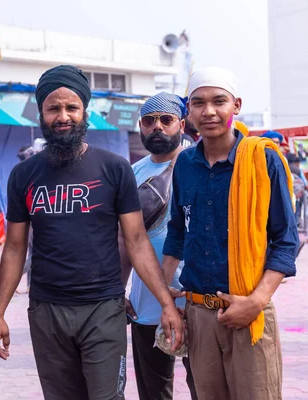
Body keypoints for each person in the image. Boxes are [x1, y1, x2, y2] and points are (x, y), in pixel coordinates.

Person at [0, 65, 183, 400]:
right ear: (41, 114)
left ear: (84, 113)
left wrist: (165, 303)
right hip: (47, 310)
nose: (63, 116)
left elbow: (135, 241)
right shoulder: (23, 174)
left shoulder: (114, 168)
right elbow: (15, 248)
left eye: (71, 108)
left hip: (103, 309)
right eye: (54, 108)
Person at [161, 66, 298, 400]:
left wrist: (256, 301)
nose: (209, 111)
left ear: (235, 106)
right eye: (198, 103)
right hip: (198, 314)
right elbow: (177, 231)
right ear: (188, 111)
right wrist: (167, 301)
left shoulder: (262, 159)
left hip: (248, 310)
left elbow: (285, 240)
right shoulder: (184, 164)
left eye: (218, 101)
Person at [120, 92, 197, 400]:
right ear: (140, 126)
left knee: (204, 386)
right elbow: (124, 238)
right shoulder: (132, 172)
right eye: (149, 121)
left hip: (196, 299)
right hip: (145, 299)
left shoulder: (199, 164)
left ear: (181, 123)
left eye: (166, 120)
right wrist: (119, 289)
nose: (158, 127)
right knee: (154, 391)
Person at [15, 144, 36, 295]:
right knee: (34, 256)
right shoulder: (30, 174)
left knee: (32, 253)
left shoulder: (24, 172)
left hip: (31, 224)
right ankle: (14, 278)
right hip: (33, 224)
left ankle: (29, 285)